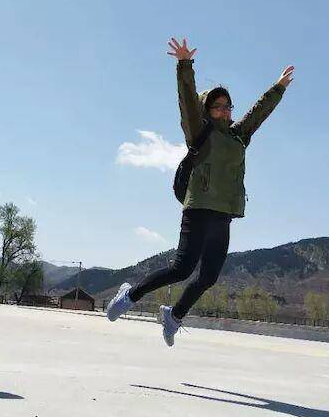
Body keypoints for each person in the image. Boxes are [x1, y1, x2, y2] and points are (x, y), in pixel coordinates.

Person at [106, 37, 294, 346]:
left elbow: (258, 113)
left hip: (224, 213)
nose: (224, 110)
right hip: (198, 208)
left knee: (208, 276)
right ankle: (129, 295)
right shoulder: (199, 132)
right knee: (182, 269)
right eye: (217, 106)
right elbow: (187, 102)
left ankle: (174, 315)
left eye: (227, 106)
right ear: (207, 110)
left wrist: (279, 88)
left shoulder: (238, 136)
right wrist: (184, 65)